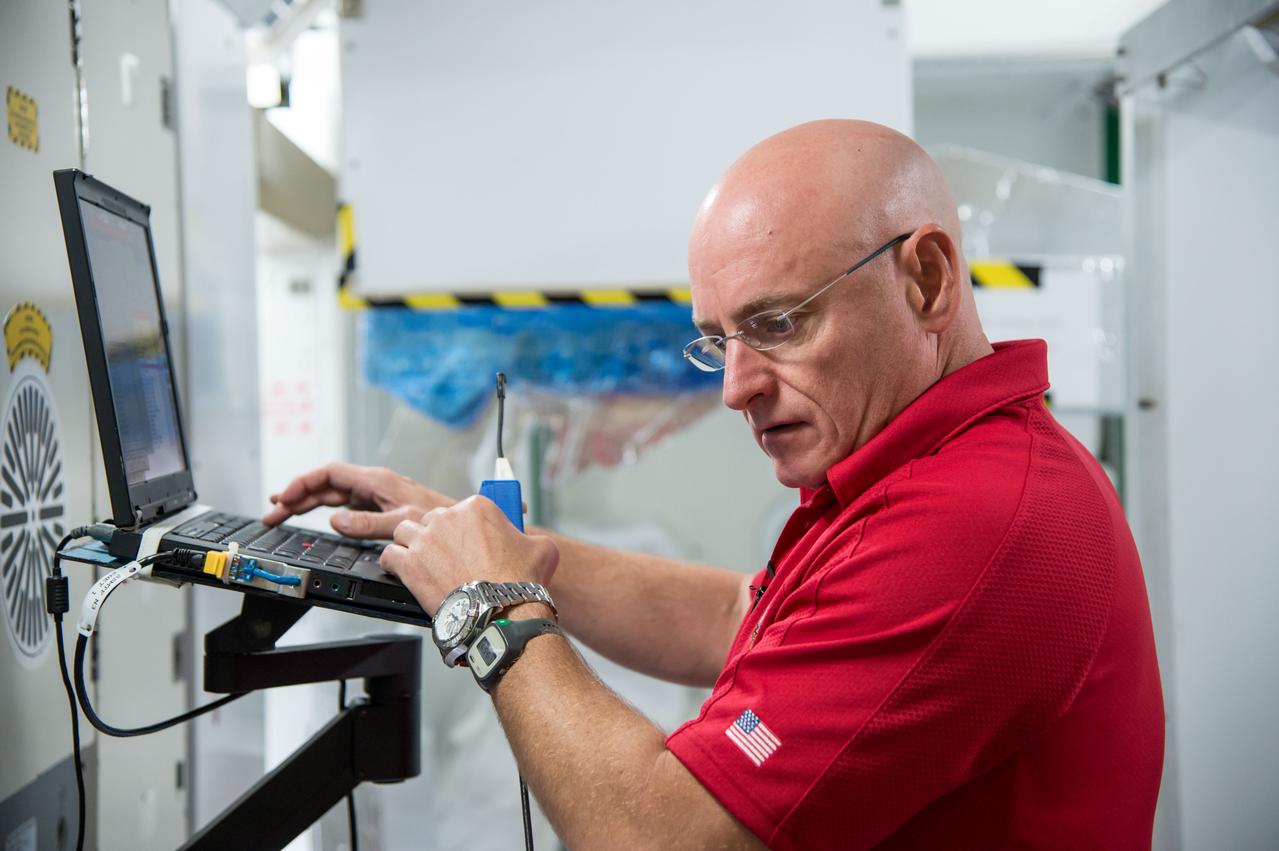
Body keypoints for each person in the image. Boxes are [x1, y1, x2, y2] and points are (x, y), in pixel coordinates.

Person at [264, 120, 1164, 849]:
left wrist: (492, 604)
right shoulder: (931, 461)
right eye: (718, 339)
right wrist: (517, 554)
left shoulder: (976, 519)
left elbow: (658, 839)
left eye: (775, 323)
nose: (734, 387)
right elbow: (747, 618)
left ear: (924, 280)